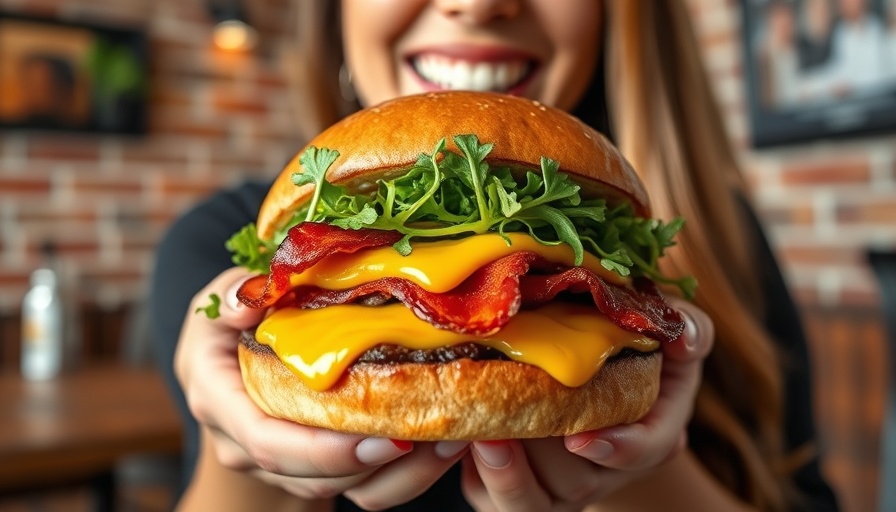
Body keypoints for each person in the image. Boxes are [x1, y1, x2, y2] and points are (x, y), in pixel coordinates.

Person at [150, 1, 840, 511]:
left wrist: (640, 477)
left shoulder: (723, 237)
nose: (477, 6)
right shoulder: (213, 241)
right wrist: (243, 463)